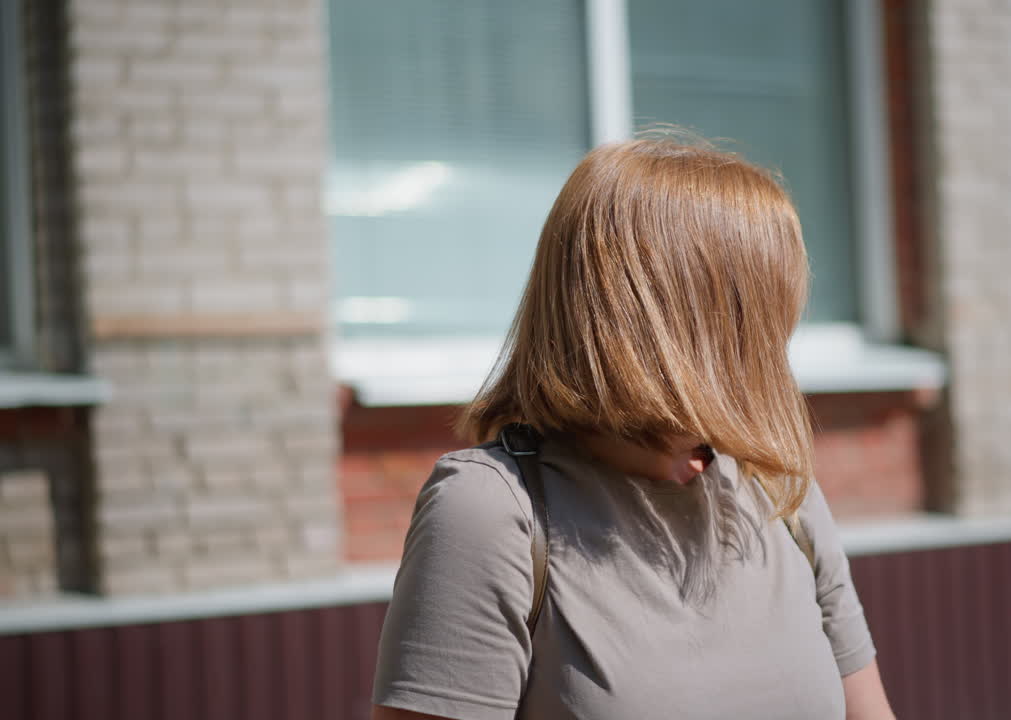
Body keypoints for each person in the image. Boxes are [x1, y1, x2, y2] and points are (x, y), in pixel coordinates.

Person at [370, 137, 897, 720]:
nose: (780, 339)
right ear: (684, 324)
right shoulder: (493, 510)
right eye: (763, 310)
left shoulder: (778, 490)